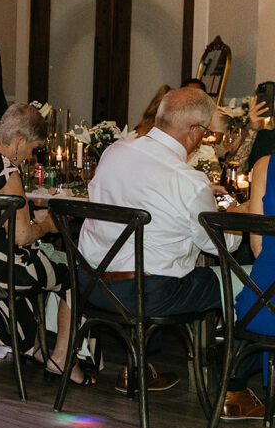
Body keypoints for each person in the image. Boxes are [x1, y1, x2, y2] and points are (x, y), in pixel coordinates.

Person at [79, 87, 244, 396]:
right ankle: (234, 389)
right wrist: (237, 215)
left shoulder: (114, 152)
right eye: (206, 132)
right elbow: (221, 246)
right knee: (241, 281)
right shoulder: (188, 181)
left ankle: (135, 368)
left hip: (92, 285)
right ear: (194, 131)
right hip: (147, 296)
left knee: (151, 257)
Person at [0, 103, 95, 385]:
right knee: (73, 272)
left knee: (31, 261)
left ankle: (35, 348)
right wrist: (49, 224)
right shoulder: (5, 168)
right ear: (20, 141)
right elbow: (22, 236)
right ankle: (62, 358)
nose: (29, 157)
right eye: (32, 149)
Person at [222, 155, 275, 419]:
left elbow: (256, 248)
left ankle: (235, 389)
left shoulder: (264, 165)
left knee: (251, 290)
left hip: (261, 311)